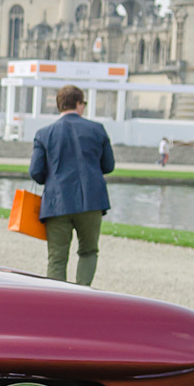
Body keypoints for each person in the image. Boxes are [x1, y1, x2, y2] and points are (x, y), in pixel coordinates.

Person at [28, 85, 114, 285]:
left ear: (59, 105)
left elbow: (36, 173)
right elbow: (108, 166)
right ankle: (82, 294)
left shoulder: (44, 133)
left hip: (57, 203)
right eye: (83, 103)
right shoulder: (97, 129)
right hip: (91, 201)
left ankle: (57, 303)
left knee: (57, 257)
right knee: (88, 251)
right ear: (78, 104)